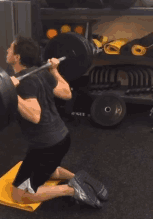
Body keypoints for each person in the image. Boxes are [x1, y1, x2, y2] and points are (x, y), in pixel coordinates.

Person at [6, 35, 103, 208]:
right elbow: (66, 93)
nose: (7, 50)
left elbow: (34, 116)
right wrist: (54, 70)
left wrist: (12, 93)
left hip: (46, 146)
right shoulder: (42, 72)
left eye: (10, 49)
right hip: (62, 138)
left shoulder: (24, 82)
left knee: (18, 195)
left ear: (17, 57)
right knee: (49, 170)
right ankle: (76, 177)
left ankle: (72, 189)